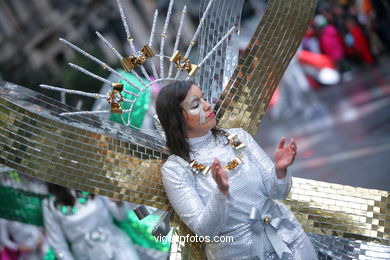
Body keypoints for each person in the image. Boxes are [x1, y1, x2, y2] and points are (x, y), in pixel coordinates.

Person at [155, 81, 318, 259]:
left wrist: (280, 170)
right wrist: (221, 192)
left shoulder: (238, 137)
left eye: (204, 98)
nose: (207, 105)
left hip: (291, 239)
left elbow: (277, 192)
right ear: (177, 119)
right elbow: (205, 231)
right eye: (195, 105)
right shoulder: (176, 168)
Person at [42, 184, 140, 260]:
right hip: (86, 255)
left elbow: (121, 217)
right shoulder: (49, 203)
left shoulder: (95, 182)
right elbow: (58, 247)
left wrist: (119, 202)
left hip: (118, 246)